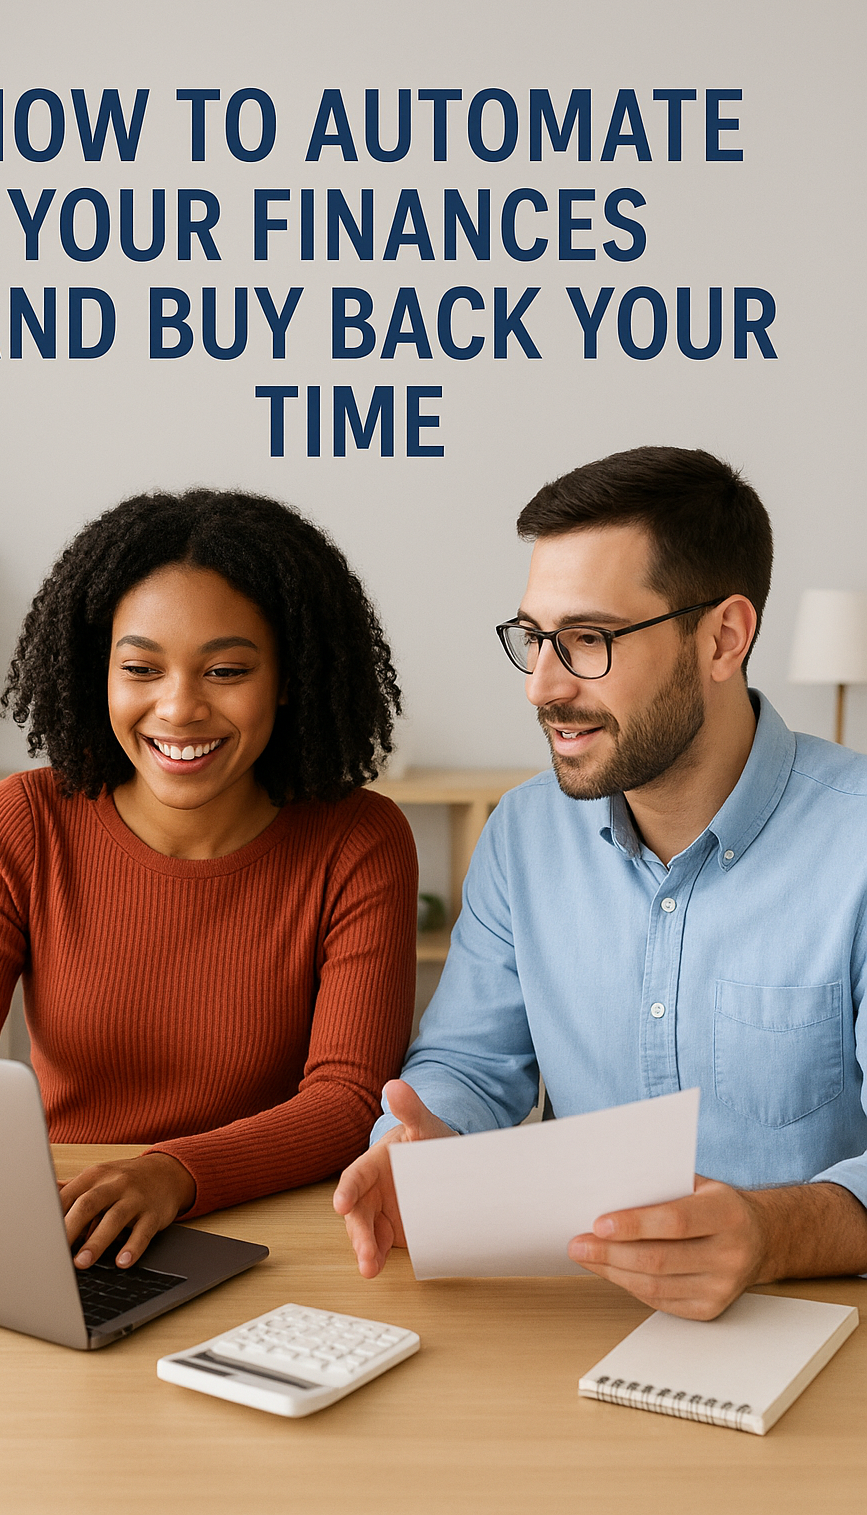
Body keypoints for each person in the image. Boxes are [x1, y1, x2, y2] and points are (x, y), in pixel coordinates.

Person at [335, 446, 867, 1320]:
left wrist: (774, 1233)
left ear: (723, 638)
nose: (544, 686)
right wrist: (420, 1143)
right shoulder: (524, 834)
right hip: (587, 1324)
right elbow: (470, 1064)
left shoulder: (853, 842)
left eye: (588, 640)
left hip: (824, 1337)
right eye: (534, 640)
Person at [0, 488, 417, 1272]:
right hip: (70, 1226)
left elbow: (346, 1103)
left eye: (227, 669)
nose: (178, 708)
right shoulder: (23, 823)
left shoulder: (360, 840)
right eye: (141, 667)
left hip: (277, 1231)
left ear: (287, 677)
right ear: (95, 670)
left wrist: (174, 1172)